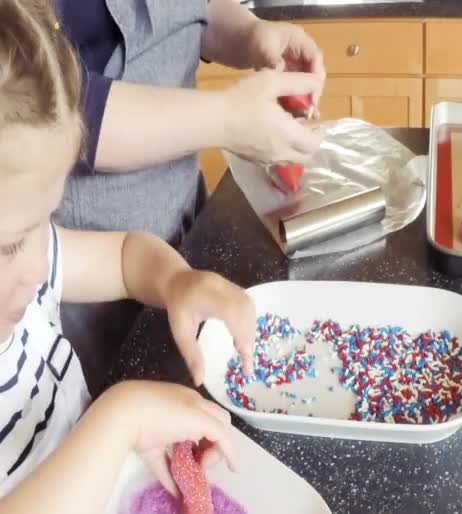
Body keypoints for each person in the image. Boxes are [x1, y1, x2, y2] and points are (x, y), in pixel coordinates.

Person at [0, 1, 254, 510]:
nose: (37, 268)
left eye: (44, 222)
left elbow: (122, 256)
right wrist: (120, 421)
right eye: (7, 245)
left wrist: (176, 282)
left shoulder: (30, 260)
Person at [52, 0, 326, 395]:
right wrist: (226, 119)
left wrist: (251, 35)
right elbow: (56, 113)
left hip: (185, 226)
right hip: (90, 277)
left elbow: (192, 11)